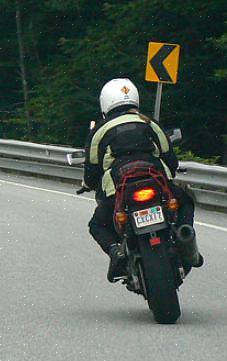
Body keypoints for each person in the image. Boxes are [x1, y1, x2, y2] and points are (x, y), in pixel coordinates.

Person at [83, 78, 197, 282]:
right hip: (156, 182)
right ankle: (183, 235)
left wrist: (89, 184)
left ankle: (115, 251)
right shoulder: (148, 122)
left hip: (119, 188)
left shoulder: (99, 131)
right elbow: (169, 158)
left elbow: (92, 170)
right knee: (186, 199)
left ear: (105, 104)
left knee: (97, 224)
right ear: (135, 99)